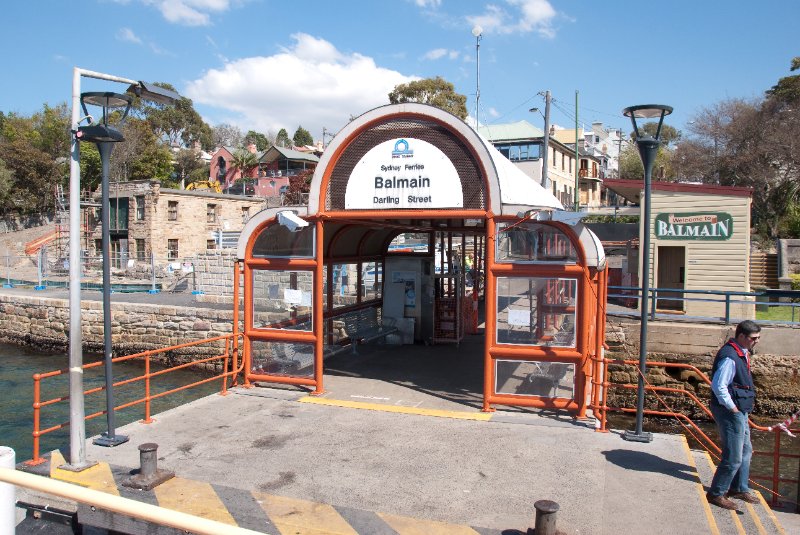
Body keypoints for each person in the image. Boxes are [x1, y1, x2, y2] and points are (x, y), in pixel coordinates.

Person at [706, 320, 761, 510]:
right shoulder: (730, 356)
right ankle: (716, 493)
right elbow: (719, 386)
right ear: (742, 337)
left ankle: (738, 487)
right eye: (754, 338)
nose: (757, 341)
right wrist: (733, 408)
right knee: (733, 456)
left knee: (746, 450)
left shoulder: (741, 353)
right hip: (731, 411)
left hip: (739, 410)